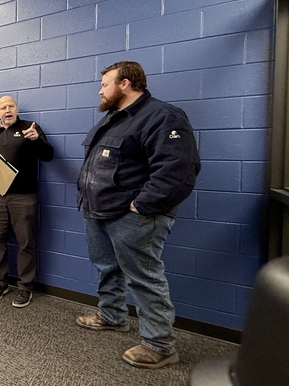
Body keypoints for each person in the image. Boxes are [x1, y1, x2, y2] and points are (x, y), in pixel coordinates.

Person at [76, 61, 200, 369]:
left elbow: (178, 170)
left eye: (105, 84)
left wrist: (142, 205)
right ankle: (112, 315)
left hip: (132, 216)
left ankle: (159, 345)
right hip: (99, 211)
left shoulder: (162, 116)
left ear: (125, 84)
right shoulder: (114, 119)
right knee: (107, 267)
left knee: (144, 278)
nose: (100, 90)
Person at [0, 96, 54, 308]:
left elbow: (48, 155)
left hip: (24, 196)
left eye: (10, 106)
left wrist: (36, 139)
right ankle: (0, 282)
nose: (7, 110)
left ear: (17, 108)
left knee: (25, 242)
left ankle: (25, 287)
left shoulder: (30, 128)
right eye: (3, 107)